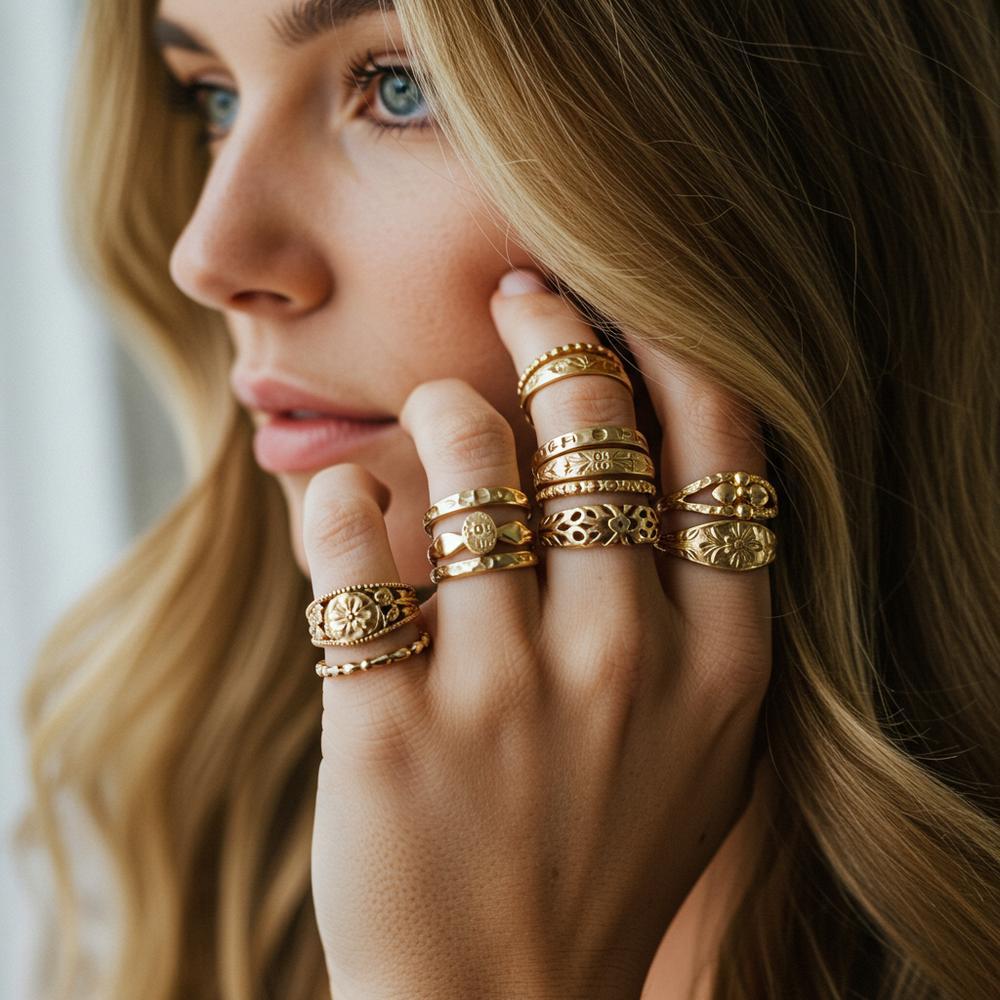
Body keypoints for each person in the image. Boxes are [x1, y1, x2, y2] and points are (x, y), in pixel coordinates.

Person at [16, 0, 999, 997]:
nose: (207, 256)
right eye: (213, 97)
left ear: (772, 156)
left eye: (403, 87)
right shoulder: (198, 857)